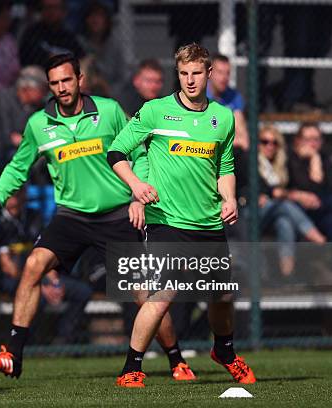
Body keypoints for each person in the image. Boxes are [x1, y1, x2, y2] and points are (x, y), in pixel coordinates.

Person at [0, 53, 195, 381]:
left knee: (143, 295)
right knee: (34, 265)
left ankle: (176, 360)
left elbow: (138, 153)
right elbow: (17, 167)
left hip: (118, 216)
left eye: (67, 80)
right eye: (55, 83)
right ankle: (13, 354)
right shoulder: (39, 124)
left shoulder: (109, 111)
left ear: (80, 79)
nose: (62, 88)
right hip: (72, 218)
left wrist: (139, 194)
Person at [108, 43, 256, 387]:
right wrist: (135, 185)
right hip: (167, 222)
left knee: (221, 295)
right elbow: (116, 151)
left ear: (209, 74)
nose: (190, 80)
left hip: (208, 223)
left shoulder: (223, 118)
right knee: (162, 295)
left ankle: (225, 352)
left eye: (196, 73)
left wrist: (229, 198)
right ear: (178, 74)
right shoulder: (155, 111)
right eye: (183, 73)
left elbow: (226, 167)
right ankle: (131, 368)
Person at [0, 190, 93, 344]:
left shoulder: (32, 217)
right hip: (10, 279)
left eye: (20, 194)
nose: (17, 199)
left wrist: (55, 282)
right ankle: (31, 342)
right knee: (37, 296)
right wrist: (41, 286)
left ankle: (64, 339)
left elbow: (45, 253)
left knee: (82, 292)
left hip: (39, 275)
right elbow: (8, 267)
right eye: (13, 195)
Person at [257, 125, 326, 277]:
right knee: (284, 205)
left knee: (285, 222)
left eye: (274, 143)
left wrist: (315, 158)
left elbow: (314, 187)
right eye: (265, 142)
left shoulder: (280, 165)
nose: (270, 146)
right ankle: (319, 240)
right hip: (253, 213)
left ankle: (287, 272)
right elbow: (271, 192)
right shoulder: (252, 163)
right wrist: (296, 195)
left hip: (275, 213)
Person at [77, 1, 126, 96]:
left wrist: (108, 88)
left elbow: (123, 77)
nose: (95, 20)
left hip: (110, 92)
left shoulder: (115, 45)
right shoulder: (79, 43)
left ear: (106, 20)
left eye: (100, 16)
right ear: (86, 20)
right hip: (84, 91)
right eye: (92, 16)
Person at [18, 0, 84, 67]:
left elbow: (82, 58)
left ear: (64, 11)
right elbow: (25, 60)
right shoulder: (31, 33)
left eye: (55, 7)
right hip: (40, 73)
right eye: (47, 7)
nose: (51, 11)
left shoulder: (70, 37)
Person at [207, 54, 249, 151]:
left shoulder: (234, 97)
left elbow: (243, 139)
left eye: (227, 73)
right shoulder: (199, 95)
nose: (224, 77)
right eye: (220, 72)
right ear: (210, 72)